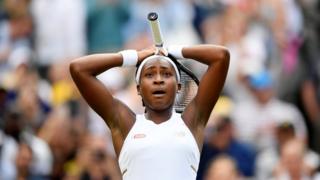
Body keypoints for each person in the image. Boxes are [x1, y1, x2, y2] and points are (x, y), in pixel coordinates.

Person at [69, 44, 230, 180]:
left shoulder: (192, 121)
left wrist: (172, 51)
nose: (158, 79)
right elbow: (79, 69)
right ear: (138, 88)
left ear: (179, 86)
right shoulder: (125, 123)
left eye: (166, 74)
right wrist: (135, 56)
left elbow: (221, 56)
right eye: (149, 74)